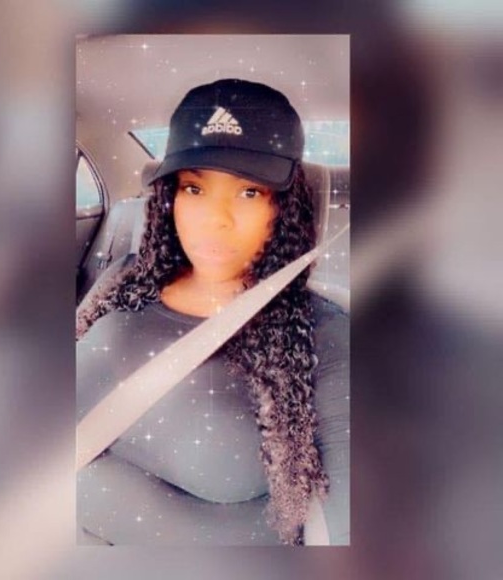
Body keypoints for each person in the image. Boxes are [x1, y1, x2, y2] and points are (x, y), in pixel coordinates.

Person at [76, 78, 349, 546]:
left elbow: (345, 528)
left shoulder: (322, 334)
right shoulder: (122, 279)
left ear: (286, 206)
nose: (215, 218)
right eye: (194, 188)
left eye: (249, 192)